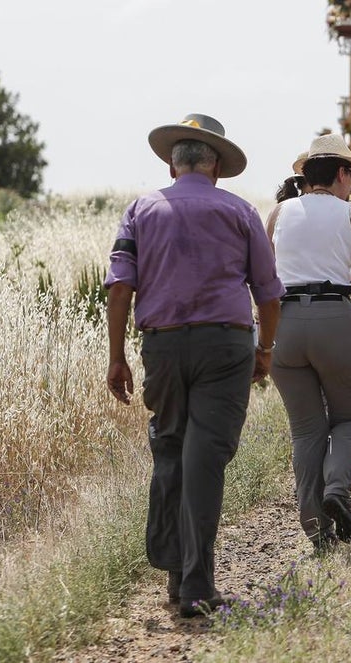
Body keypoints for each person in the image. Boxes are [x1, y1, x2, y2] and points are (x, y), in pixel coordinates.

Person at [105, 113, 284, 618]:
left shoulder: (140, 210)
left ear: (170, 166)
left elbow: (121, 288)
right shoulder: (240, 212)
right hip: (224, 348)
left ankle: (176, 569)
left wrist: (117, 356)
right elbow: (268, 295)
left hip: (160, 346)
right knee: (204, 457)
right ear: (217, 168)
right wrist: (265, 350)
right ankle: (196, 584)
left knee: (171, 446)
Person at [266, 134, 351, 551]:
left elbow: (263, 274)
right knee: (350, 418)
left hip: (285, 323)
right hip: (333, 316)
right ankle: (337, 489)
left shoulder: (279, 213)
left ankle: (317, 532)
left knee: (306, 431)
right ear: (341, 174)